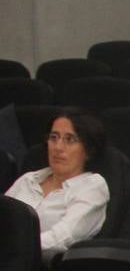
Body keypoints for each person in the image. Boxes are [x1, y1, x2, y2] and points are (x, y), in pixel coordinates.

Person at [4, 109, 109, 260]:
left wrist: (11, 247)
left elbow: (62, 238)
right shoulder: (28, 179)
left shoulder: (92, 187)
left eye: (70, 139)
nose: (58, 147)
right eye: (53, 138)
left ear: (89, 150)